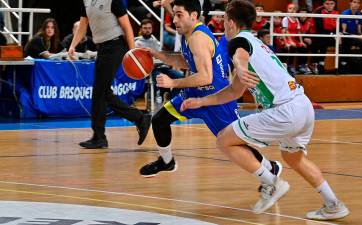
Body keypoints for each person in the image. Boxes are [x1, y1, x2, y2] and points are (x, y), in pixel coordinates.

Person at [181, 0, 350, 220]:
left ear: (230, 22)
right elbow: (233, 92)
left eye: (224, 21)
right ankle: (333, 203)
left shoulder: (239, 41)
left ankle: (272, 182)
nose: (223, 25)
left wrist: (240, 68)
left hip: (284, 111)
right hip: (303, 106)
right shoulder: (257, 42)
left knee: (224, 140)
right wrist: (202, 102)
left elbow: (240, 55)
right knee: (293, 158)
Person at [139, 0, 283, 180]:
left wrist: (173, 83)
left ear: (193, 16)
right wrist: (157, 55)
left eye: (178, 15)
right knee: (159, 120)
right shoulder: (187, 33)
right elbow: (186, 62)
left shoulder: (198, 38)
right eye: (173, 15)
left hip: (217, 98)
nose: (174, 20)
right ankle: (167, 161)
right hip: (196, 93)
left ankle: (271, 168)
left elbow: (205, 77)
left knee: (234, 143)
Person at [68, 0, 151, 149]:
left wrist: (132, 53)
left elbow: (127, 27)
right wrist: (73, 45)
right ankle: (138, 119)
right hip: (102, 49)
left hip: (115, 46)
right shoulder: (86, 2)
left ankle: (101, 136)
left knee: (101, 92)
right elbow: (83, 25)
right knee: (102, 93)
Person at [135, 19, 184, 103]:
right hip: (148, 70)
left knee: (180, 75)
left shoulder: (156, 42)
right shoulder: (136, 43)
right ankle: (151, 99)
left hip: (160, 67)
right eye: (145, 28)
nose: (147, 30)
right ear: (141, 29)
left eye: (149, 28)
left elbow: (161, 58)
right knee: (158, 76)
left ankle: (171, 99)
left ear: (152, 29)